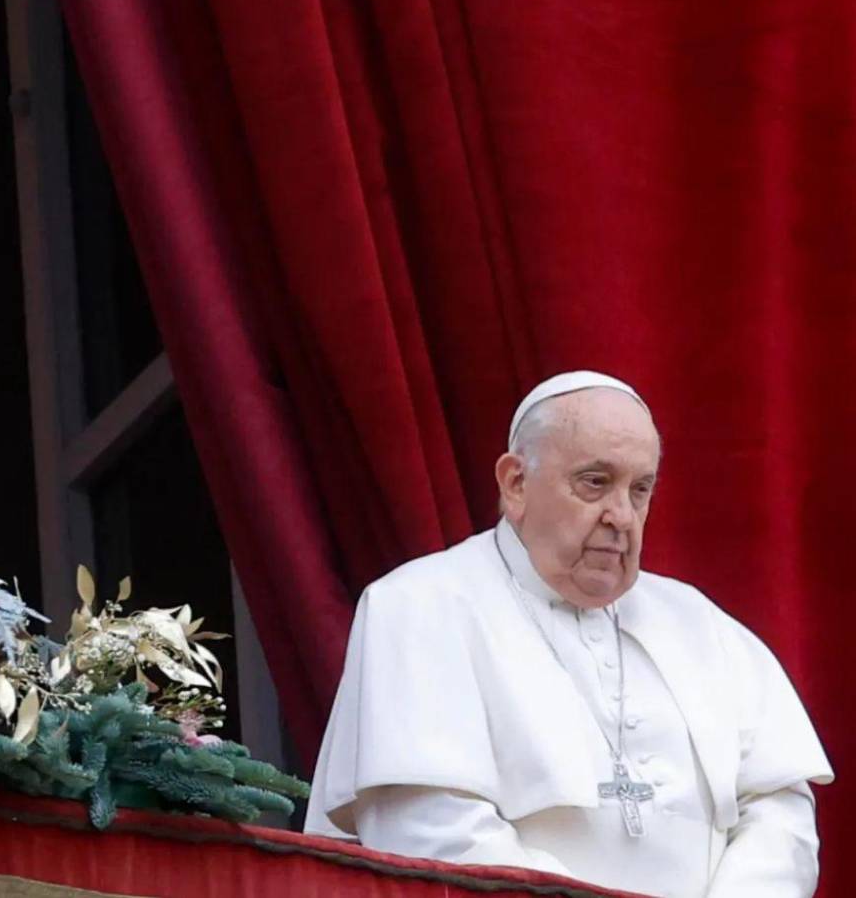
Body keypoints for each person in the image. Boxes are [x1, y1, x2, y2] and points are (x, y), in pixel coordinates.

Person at [305, 371, 833, 897]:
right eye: (595, 482)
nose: (622, 516)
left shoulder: (699, 623)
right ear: (515, 483)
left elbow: (779, 814)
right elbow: (431, 834)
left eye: (640, 489)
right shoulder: (419, 606)